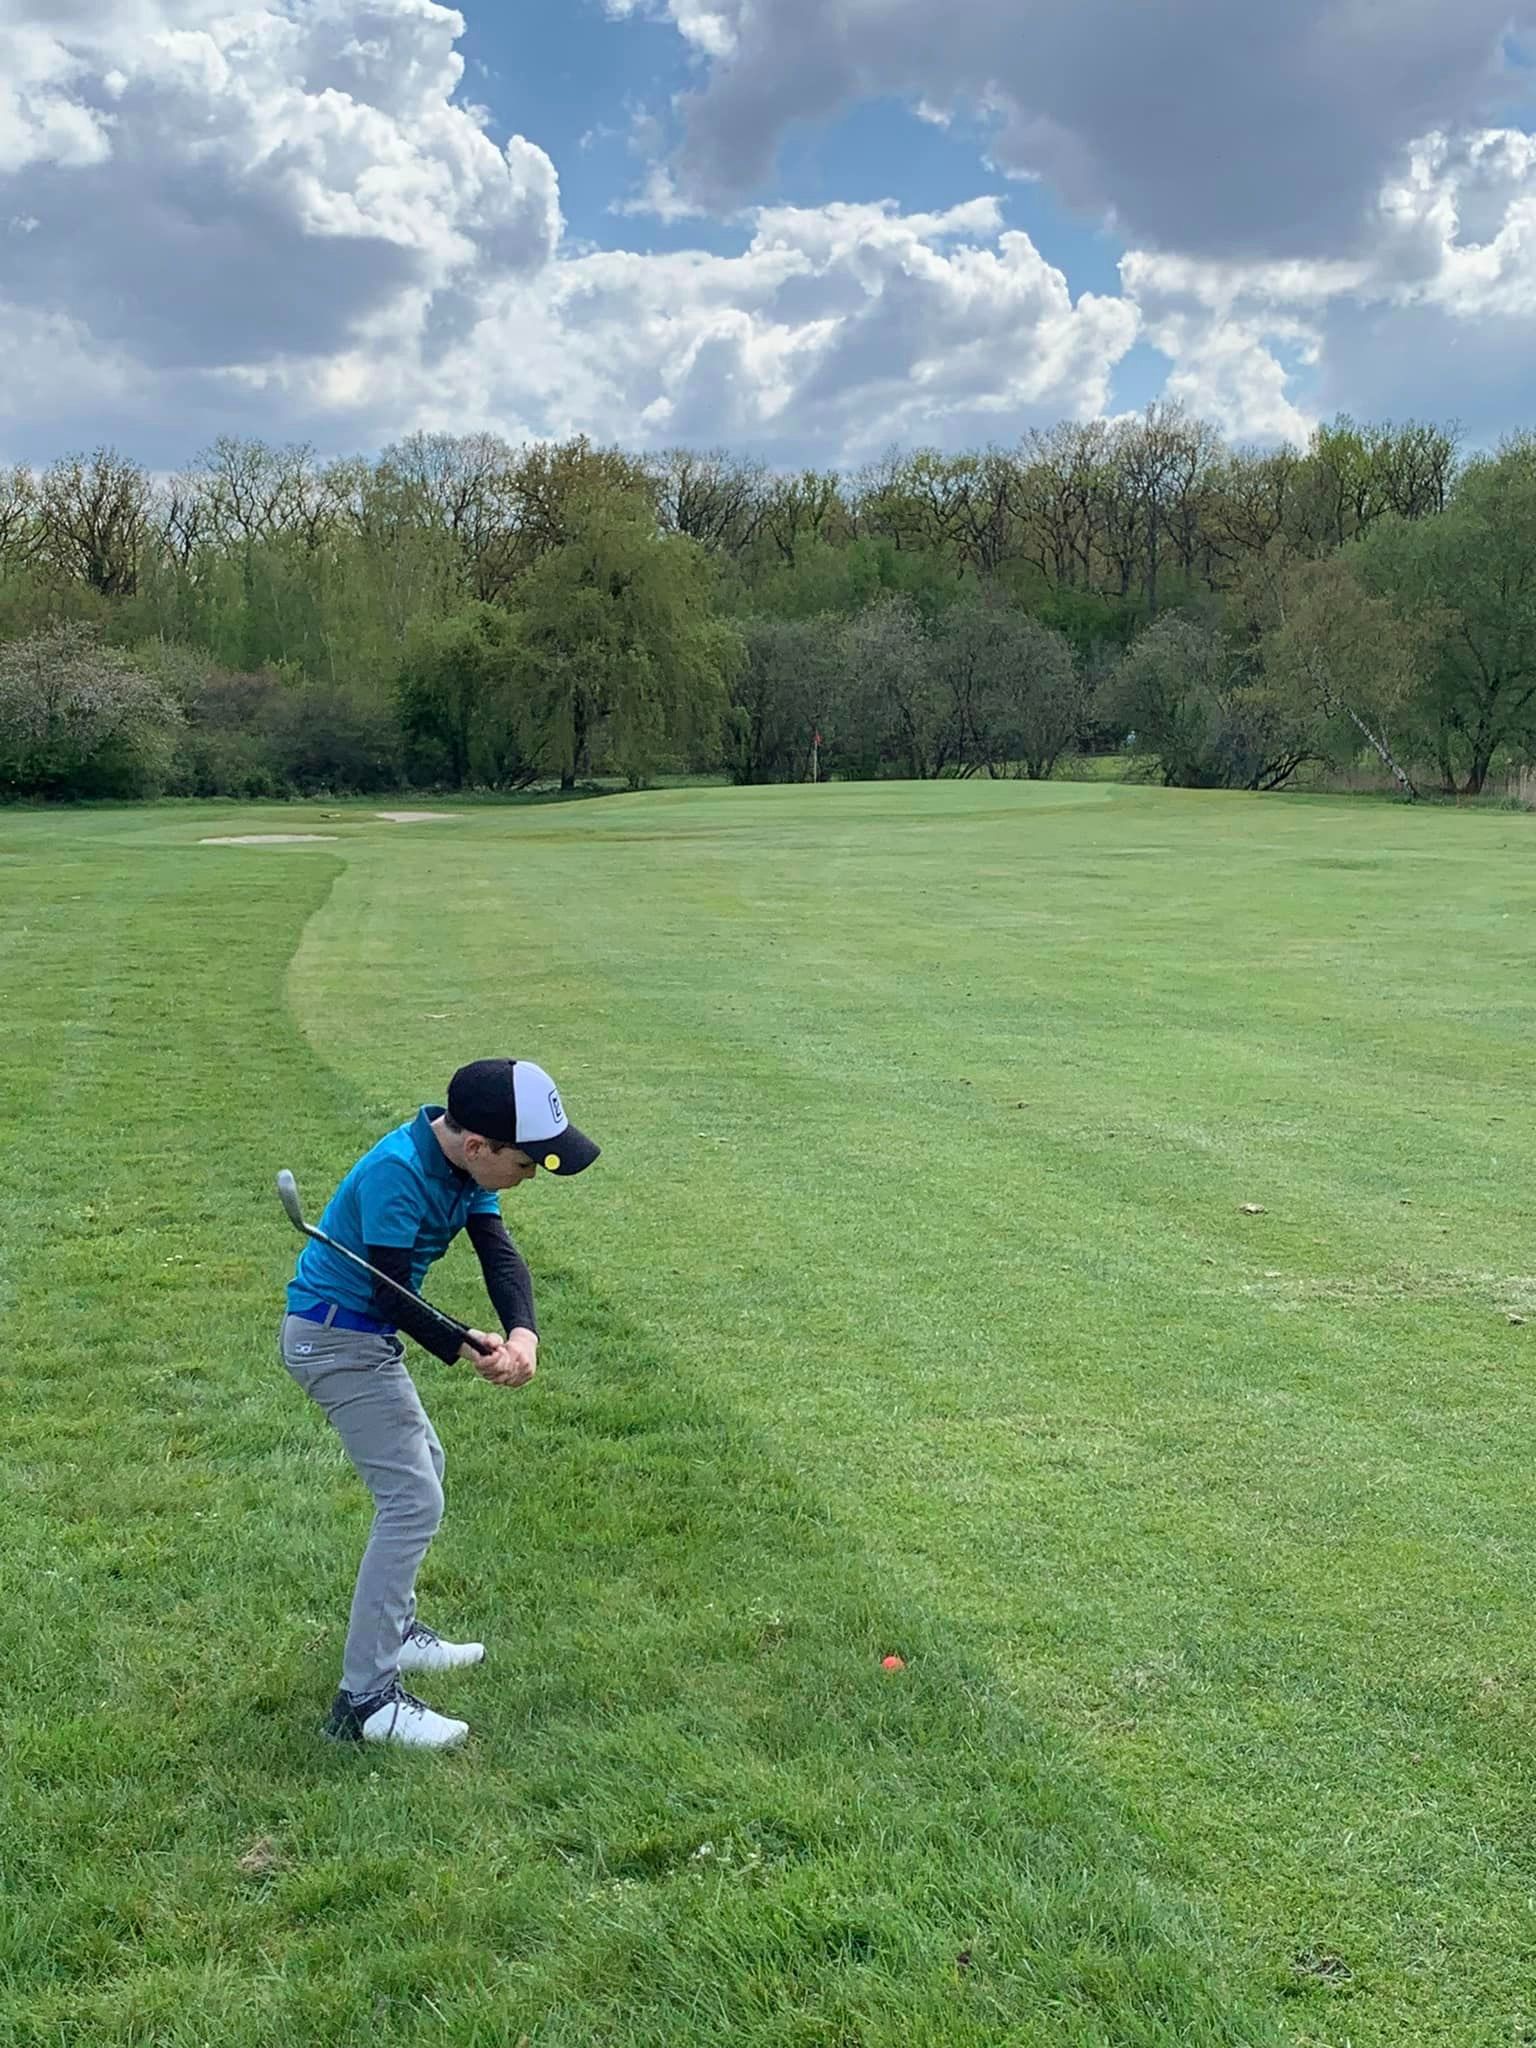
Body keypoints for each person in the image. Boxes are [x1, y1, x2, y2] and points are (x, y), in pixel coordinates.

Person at [279, 1057, 599, 1750]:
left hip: (361, 1336)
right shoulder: (398, 1172)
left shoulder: (463, 1165)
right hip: (334, 1339)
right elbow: (391, 1292)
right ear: (479, 1145)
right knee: (412, 1500)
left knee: (426, 1463)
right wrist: (467, 1346)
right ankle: (365, 1701)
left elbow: (497, 1252)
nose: (530, 1176)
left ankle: (395, 1633)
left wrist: (522, 1333)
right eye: (526, 1164)